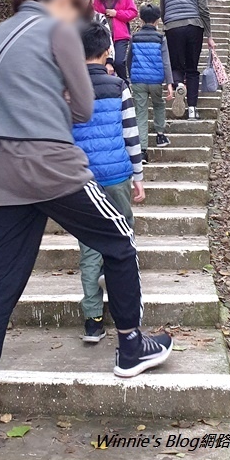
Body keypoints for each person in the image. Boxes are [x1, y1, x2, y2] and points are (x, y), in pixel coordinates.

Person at [0, 0, 173, 448]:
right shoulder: (62, 30)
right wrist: (56, 106)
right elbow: (85, 108)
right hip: (50, 166)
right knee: (119, 241)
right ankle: (131, 345)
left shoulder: (3, 31)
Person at [72, 22, 144, 343]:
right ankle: (125, 311)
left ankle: (93, 321)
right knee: (122, 243)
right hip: (116, 177)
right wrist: (138, 175)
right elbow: (131, 134)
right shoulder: (119, 86)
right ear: (106, 52)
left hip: (83, 182)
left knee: (89, 249)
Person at [160, 0, 215, 121]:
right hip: (193, 27)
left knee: (176, 66)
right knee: (192, 68)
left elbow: (163, 7)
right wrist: (209, 34)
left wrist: (167, 23)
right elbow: (203, 9)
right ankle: (192, 110)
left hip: (172, 27)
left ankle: (179, 85)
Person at [129, 3, 174, 164]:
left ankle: (142, 151)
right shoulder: (160, 38)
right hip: (156, 80)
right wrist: (169, 83)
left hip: (138, 81)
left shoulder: (134, 37)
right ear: (158, 20)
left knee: (140, 112)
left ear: (140, 19)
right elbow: (166, 62)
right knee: (159, 105)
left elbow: (129, 59)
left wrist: (130, 77)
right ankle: (160, 135)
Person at [93, 0, 138, 81]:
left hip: (120, 35)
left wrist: (117, 13)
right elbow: (93, 12)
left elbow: (133, 12)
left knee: (118, 62)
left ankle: (125, 84)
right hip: (103, 34)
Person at [80, 0, 115, 74]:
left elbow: (108, 39)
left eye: (83, 0)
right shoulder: (69, 18)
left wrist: (109, 62)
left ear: (90, 0)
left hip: (98, 59)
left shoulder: (98, 18)